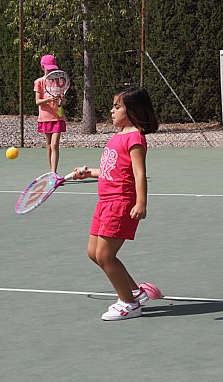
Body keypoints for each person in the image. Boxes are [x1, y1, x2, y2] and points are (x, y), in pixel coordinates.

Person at [73, 86, 159, 321]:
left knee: (105, 256)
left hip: (121, 203)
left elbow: (139, 173)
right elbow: (113, 170)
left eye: (117, 106)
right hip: (105, 202)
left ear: (132, 111)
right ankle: (135, 292)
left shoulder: (135, 138)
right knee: (94, 253)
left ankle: (130, 304)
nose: (111, 111)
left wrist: (141, 203)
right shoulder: (118, 136)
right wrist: (89, 172)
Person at [34, 54, 66, 173]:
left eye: (53, 68)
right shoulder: (39, 82)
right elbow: (38, 101)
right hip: (44, 118)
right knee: (48, 146)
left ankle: (53, 173)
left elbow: (64, 102)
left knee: (54, 145)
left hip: (58, 117)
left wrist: (62, 99)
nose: (51, 71)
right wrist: (49, 99)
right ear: (42, 67)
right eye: (48, 68)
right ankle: (51, 172)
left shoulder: (60, 82)